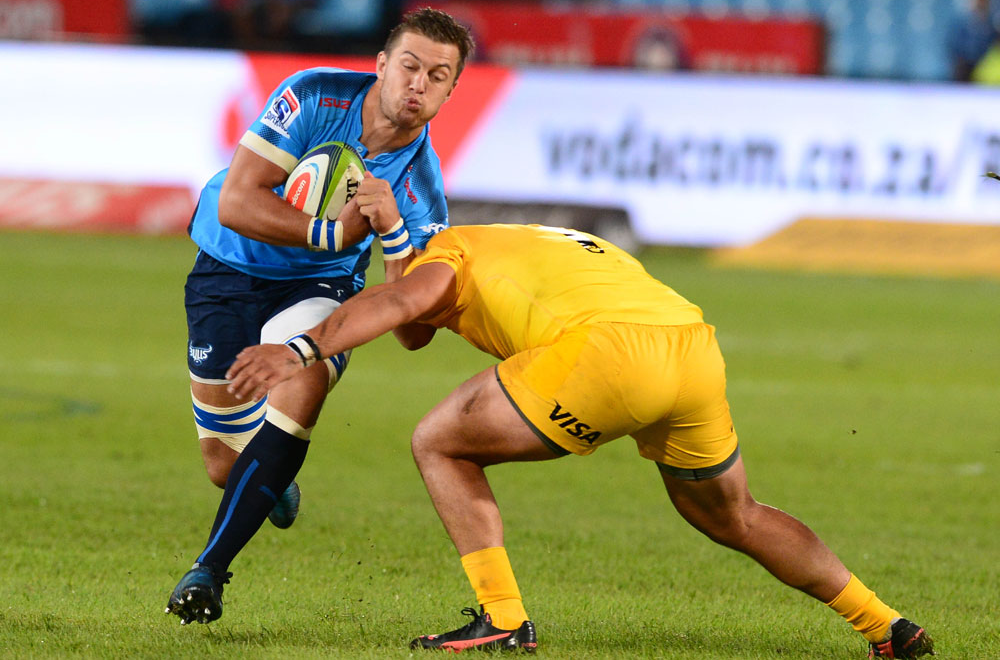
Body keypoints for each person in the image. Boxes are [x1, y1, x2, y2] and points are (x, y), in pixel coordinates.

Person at [226, 223, 935, 658]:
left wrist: (301, 349)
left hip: (606, 355)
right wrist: (394, 250)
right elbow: (416, 321)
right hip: (690, 346)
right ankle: (885, 625)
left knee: (439, 441)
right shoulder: (537, 243)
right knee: (735, 513)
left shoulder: (453, 252)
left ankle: (503, 619)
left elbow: (402, 304)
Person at [165, 7, 474, 625]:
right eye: (409, 66)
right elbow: (235, 202)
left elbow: (414, 331)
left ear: (450, 90)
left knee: (303, 377)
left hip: (319, 286)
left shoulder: (421, 187)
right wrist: (330, 231)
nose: (419, 84)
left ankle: (208, 572)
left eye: (438, 76)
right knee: (225, 466)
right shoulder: (312, 95)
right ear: (382, 66)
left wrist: (391, 237)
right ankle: (271, 477)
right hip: (226, 269)